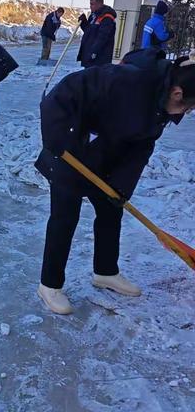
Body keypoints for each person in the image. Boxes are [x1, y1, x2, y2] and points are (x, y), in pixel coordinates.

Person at [35, 47, 195, 315]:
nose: (187, 112)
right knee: (65, 216)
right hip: (71, 147)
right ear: (177, 93)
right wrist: (58, 137)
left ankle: (105, 272)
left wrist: (122, 186)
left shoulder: (162, 104)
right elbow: (66, 91)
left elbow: (142, 148)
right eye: (189, 106)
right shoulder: (129, 82)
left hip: (107, 154)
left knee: (111, 210)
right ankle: (49, 285)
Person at [77, 0, 117, 68]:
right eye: (90, 4)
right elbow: (89, 32)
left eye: (92, 4)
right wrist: (83, 22)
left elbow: (102, 37)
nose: (90, 6)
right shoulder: (93, 16)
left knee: (94, 78)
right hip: (89, 55)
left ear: (99, 4)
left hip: (99, 59)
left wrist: (93, 52)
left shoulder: (107, 18)